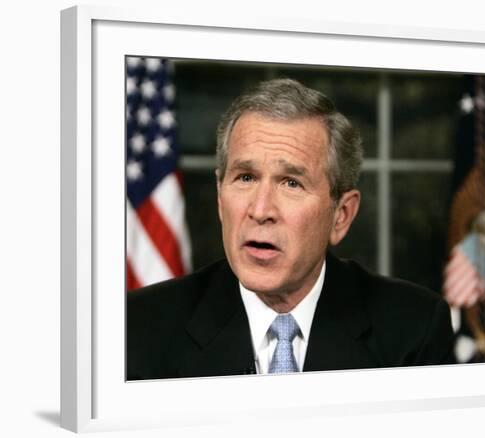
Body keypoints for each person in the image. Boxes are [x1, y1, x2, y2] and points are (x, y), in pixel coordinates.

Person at [127, 78, 455, 380]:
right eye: (245, 177)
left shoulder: (414, 329)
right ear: (219, 196)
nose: (260, 210)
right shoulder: (141, 327)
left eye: (291, 183)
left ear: (341, 215)